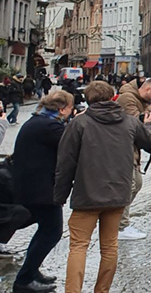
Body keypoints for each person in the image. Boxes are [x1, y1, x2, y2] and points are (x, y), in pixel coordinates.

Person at [53, 81, 151, 293]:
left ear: (88, 99)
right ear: (112, 97)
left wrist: (60, 195)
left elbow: (65, 162)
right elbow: (150, 140)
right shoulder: (129, 121)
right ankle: (102, 290)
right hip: (117, 193)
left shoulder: (79, 123)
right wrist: (150, 124)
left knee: (78, 246)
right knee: (109, 247)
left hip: (87, 194)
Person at [11, 91, 74, 292]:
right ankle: (24, 279)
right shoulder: (50, 126)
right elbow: (71, 144)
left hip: (33, 185)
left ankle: (32, 271)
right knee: (51, 232)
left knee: (45, 230)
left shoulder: (40, 120)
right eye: (70, 108)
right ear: (63, 109)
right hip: (40, 188)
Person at [115, 77, 151, 240]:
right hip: (122, 149)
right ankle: (119, 225)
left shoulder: (139, 98)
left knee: (135, 184)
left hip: (132, 149)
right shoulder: (127, 98)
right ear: (147, 89)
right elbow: (136, 122)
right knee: (129, 185)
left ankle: (118, 222)